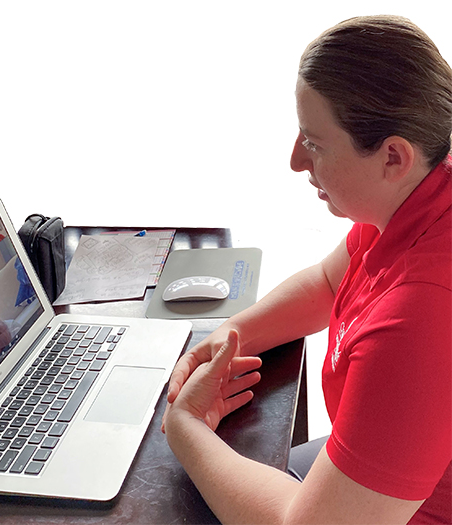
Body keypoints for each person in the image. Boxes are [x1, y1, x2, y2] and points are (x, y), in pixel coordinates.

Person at [162, 15, 451, 525]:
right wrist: (231, 336)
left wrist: (185, 425)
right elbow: (325, 281)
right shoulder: (413, 199)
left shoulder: (423, 314)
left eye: (314, 143)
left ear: (392, 156)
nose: (296, 161)